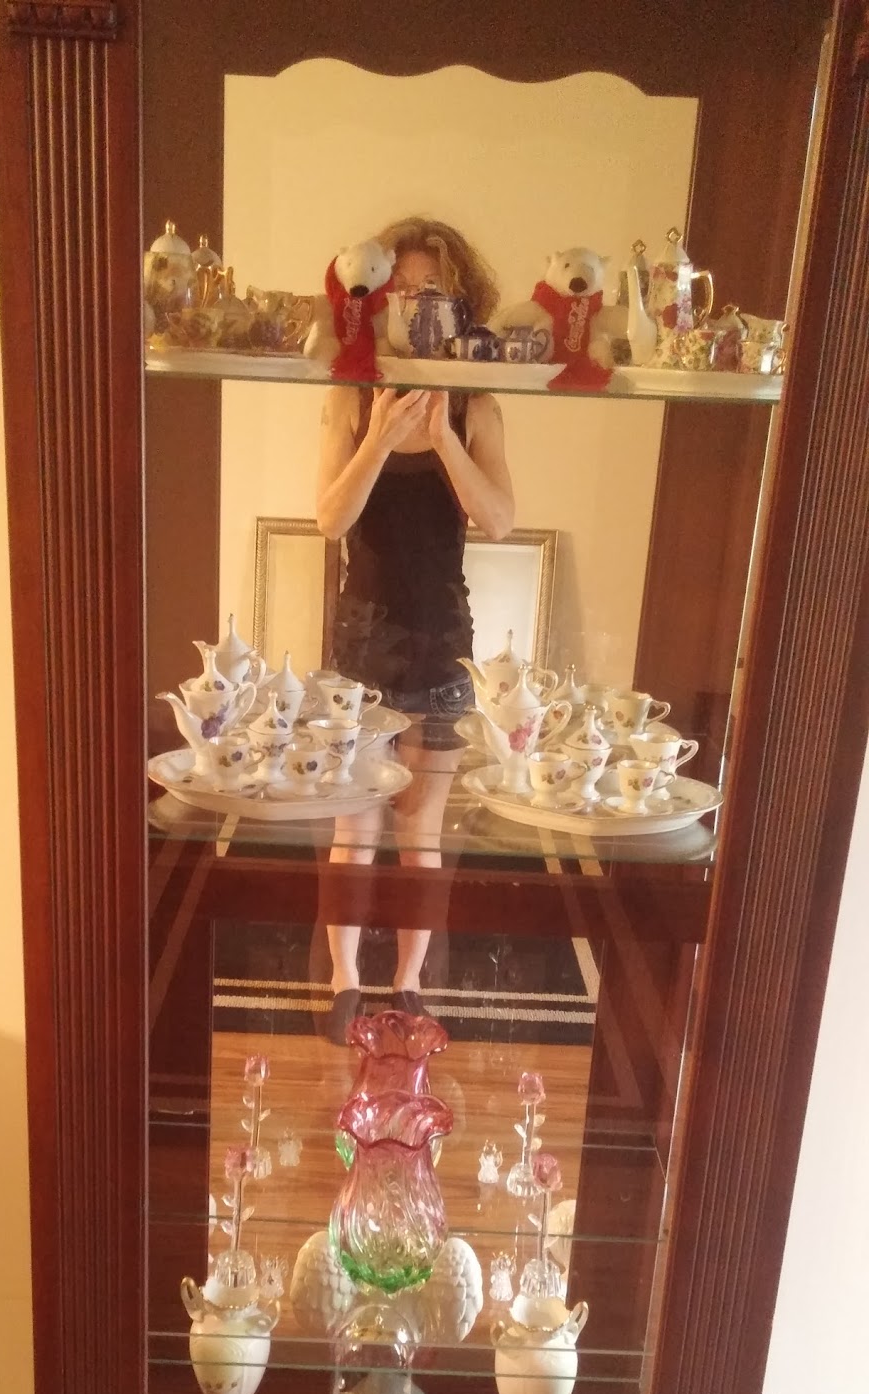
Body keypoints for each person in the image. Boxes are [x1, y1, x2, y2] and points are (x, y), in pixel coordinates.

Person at [313, 216, 515, 1043]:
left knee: (420, 828)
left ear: (461, 301)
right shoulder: (347, 394)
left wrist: (442, 440)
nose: (414, 303)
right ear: (374, 296)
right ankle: (345, 981)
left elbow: (498, 519)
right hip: (363, 636)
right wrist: (377, 440)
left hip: (440, 635)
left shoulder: (478, 403)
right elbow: (331, 519)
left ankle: (409, 983)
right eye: (400, 288)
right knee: (355, 825)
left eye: (432, 289)